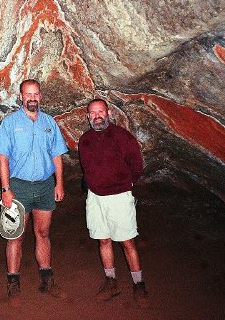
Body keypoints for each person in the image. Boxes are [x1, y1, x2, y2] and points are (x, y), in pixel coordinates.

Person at [0, 79, 68, 306]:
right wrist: (6, 189)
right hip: (19, 186)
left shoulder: (49, 123)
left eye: (35, 94)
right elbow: (3, 158)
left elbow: (57, 156)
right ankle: (13, 283)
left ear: (40, 96)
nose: (32, 98)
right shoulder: (10, 123)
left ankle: (47, 279)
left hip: (45, 185)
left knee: (43, 233)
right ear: (21, 96)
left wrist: (59, 183)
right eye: (28, 94)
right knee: (16, 235)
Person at [77, 98, 150, 308]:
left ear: (108, 113)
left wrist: (125, 183)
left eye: (101, 111)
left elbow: (137, 165)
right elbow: (86, 167)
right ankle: (111, 281)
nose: (97, 116)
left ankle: (139, 284)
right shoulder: (85, 140)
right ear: (88, 116)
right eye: (93, 112)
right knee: (103, 240)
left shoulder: (122, 136)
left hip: (119, 196)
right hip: (95, 197)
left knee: (127, 242)